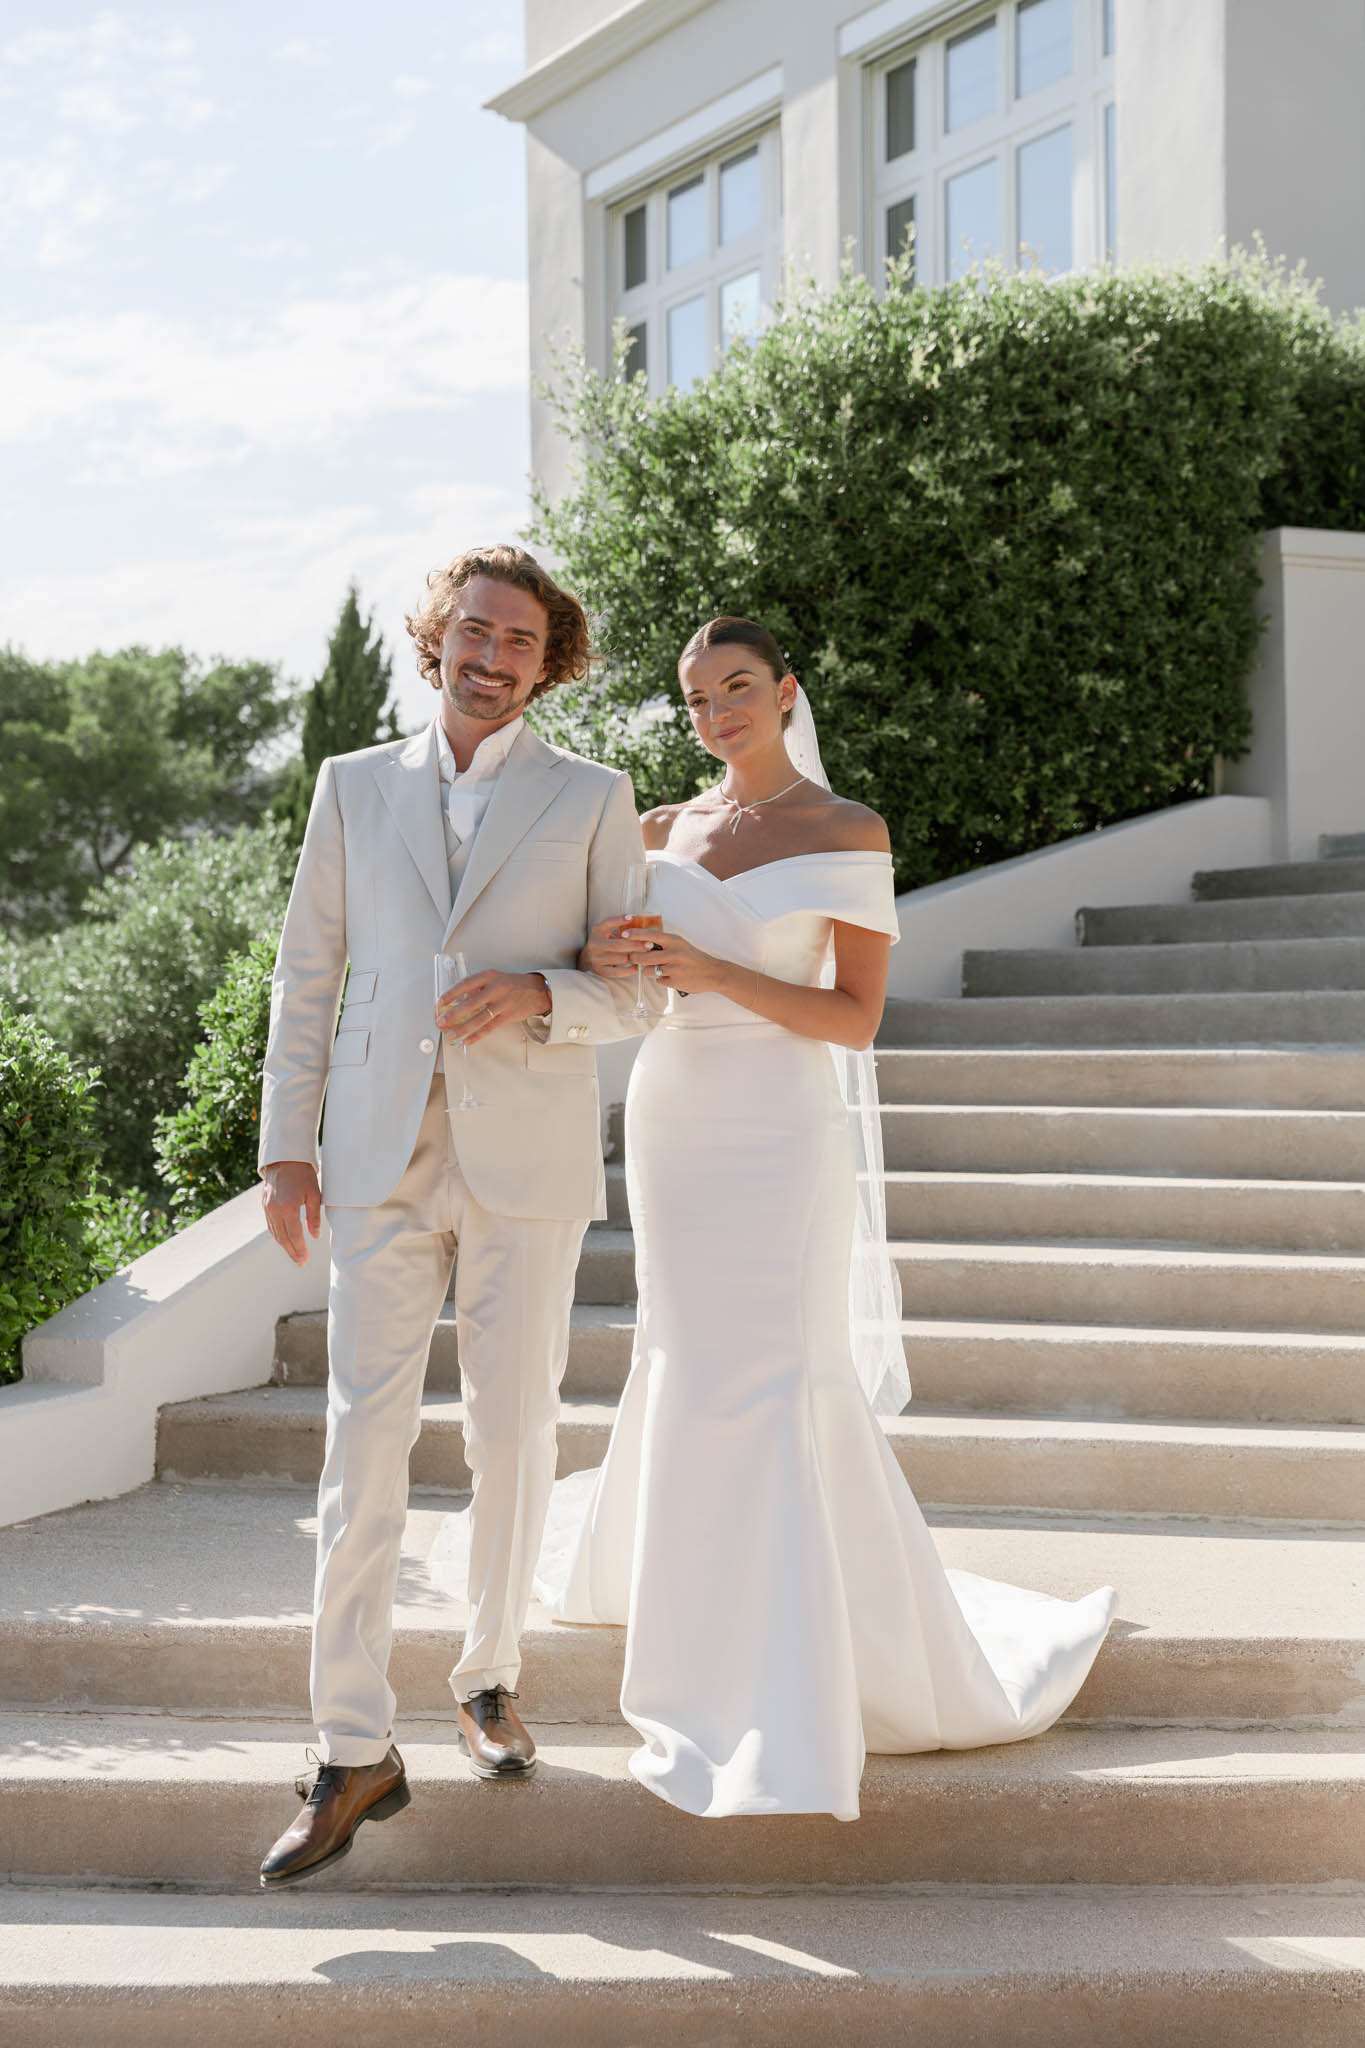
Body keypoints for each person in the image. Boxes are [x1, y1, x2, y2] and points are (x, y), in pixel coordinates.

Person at [433, 614, 1115, 1821]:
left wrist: (718, 972)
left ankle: (785, 1636)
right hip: (676, 1111)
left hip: (783, 1118)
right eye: (696, 699)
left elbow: (855, 1016)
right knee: (685, 1351)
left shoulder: (849, 829)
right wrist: (614, 955)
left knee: (780, 1360)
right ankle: (683, 1585)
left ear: (787, 690)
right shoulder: (655, 828)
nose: (717, 714)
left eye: (737, 687)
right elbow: (615, 975)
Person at [255, 545, 656, 1888]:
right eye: (475, 630)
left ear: (550, 662)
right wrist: (286, 1148)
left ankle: (488, 1676)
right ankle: (348, 1746)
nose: (492, 656)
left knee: (513, 1428)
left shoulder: (594, 797)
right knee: (359, 1445)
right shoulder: (352, 784)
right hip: (377, 1157)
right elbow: (308, 971)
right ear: (439, 636)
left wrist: (541, 993)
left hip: (525, 1159)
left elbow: (639, 991)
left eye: (521, 641)